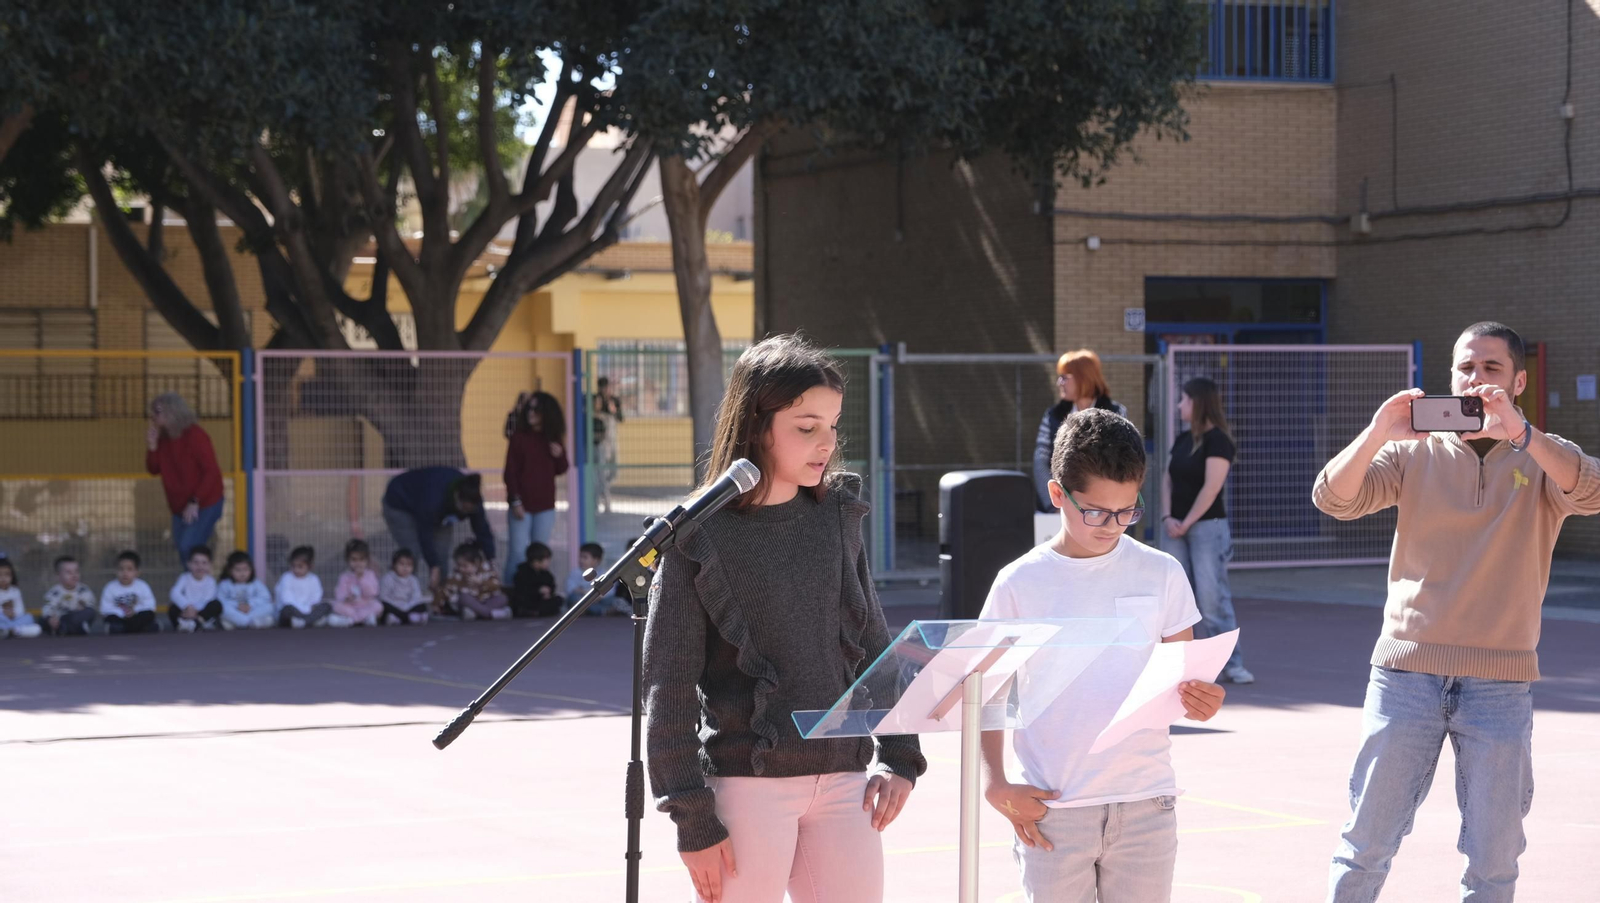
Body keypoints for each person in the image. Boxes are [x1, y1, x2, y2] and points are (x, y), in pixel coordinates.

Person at [1313, 322, 1600, 902]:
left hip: (1500, 682)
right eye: (1465, 368)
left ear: (1519, 381)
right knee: (1366, 844)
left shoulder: (1544, 457)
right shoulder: (1411, 451)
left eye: (1492, 370)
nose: (1476, 380)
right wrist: (1377, 432)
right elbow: (1334, 498)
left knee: (1494, 862)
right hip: (1405, 677)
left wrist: (1525, 436)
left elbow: (1592, 491)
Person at [644, 335, 925, 903]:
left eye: (833, 426)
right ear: (756, 424)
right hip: (746, 786)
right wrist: (692, 818)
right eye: (806, 426)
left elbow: (872, 639)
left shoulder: (838, 516)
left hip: (845, 780)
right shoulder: (697, 535)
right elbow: (666, 686)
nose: (826, 443)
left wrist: (902, 756)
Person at [982, 409, 1226, 902]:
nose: (1112, 526)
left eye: (1127, 511)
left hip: (1146, 803)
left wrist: (1203, 699)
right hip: (1053, 806)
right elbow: (986, 692)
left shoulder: (1161, 573)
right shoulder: (1018, 583)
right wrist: (996, 783)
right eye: (1095, 511)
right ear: (1057, 495)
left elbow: (1181, 681)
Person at [1164, 377, 1252, 685]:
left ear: (1198, 403)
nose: (1179, 406)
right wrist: (1167, 517)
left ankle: (1232, 664)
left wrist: (1186, 522)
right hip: (1174, 528)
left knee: (1212, 598)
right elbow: (1167, 479)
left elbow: (1211, 488)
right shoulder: (1183, 439)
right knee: (1173, 597)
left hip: (1206, 529)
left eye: (1184, 400)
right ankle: (1178, 666)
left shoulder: (1219, 442)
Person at [1033, 350, 1130, 511]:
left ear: (1083, 378)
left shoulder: (1116, 413)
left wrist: (1106, 505)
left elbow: (1122, 461)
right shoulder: (1053, 415)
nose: (1059, 383)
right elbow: (1040, 459)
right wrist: (1054, 503)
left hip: (1105, 509)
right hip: (1059, 508)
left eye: (1065, 377)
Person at [381, 467, 495, 596]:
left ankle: (441, 597)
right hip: (400, 503)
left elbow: (482, 529)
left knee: (442, 554)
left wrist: (491, 558)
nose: (464, 514)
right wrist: (433, 566)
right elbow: (425, 535)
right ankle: (403, 597)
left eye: (469, 511)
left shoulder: (474, 502)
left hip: (438, 511)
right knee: (411, 551)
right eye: (463, 509)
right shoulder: (434, 499)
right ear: (457, 497)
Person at [146, 392, 226, 565]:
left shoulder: (195, 435)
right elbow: (153, 469)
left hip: (205, 502)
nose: (153, 416)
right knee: (185, 552)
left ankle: (201, 587)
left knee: (188, 547)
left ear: (172, 411)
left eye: (157, 411)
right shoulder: (164, 438)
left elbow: (211, 471)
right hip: (179, 506)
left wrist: (195, 500)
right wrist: (152, 447)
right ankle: (195, 587)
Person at [503, 391, 569, 586]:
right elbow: (510, 473)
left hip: (545, 506)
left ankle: (538, 592)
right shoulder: (519, 438)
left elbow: (561, 469)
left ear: (547, 413)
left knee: (539, 551)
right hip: (521, 505)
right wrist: (515, 501)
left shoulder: (553, 438)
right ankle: (511, 592)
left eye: (536, 409)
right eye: (529, 408)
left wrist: (559, 455)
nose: (531, 413)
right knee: (517, 551)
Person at [275, 546, 349, 629]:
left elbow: (316, 598)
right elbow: (287, 599)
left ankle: (303, 622)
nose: (296, 570)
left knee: (326, 606)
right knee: (286, 610)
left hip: (309, 610)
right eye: (293, 566)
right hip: (293, 610)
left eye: (300, 566)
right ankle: (312, 621)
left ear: (310, 566)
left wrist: (309, 608)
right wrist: (304, 609)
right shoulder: (286, 577)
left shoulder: (314, 579)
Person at [439, 540, 509, 621]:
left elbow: (496, 585)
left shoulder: (487, 570)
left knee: (502, 598)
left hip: (487, 600)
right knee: (463, 598)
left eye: (465, 566)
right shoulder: (457, 575)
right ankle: (492, 614)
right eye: (459, 565)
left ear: (476, 562)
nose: (461, 569)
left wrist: (481, 583)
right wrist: (437, 603)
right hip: (471, 603)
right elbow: (445, 590)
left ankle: (478, 613)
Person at [100, 551, 159, 634]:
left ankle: (129, 628)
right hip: (119, 618)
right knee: (112, 619)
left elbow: (150, 606)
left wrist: (134, 611)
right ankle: (134, 628)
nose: (125, 573)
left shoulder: (143, 586)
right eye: (121, 569)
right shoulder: (110, 587)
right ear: (116, 571)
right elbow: (105, 609)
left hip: (137, 617)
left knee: (148, 615)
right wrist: (123, 613)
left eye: (129, 569)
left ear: (137, 572)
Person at [168, 545, 223, 633]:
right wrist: (187, 606)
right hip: (187, 610)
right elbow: (174, 593)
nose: (200, 566)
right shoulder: (184, 577)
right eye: (196, 563)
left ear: (210, 565)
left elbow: (208, 599)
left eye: (204, 563)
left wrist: (195, 612)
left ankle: (196, 622)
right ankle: (189, 624)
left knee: (216, 605)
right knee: (173, 608)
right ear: (188, 564)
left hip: (201, 612)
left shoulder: (210, 581)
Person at [216, 550, 276, 630]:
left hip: (251, 611)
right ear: (230, 571)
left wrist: (250, 605)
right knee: (221, 608)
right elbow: (220, 601)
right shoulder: (225, 584)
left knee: (270, 607)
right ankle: (250, 623)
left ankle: (239, 623)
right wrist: (237, 606)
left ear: (251, 570)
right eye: (238, 570)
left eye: (245, 569)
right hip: (235, 611)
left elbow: (265, 597)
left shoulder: (256, 583)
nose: (242, 573)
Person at [41, 555, 99, 637]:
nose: (74, 575)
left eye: (76, 571)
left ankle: (67, 629)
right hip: (60, 619)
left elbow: (91, 605)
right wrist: (50, 619)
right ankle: (68, 629)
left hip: (76, 618)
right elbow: (47, 607)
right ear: (58, 576)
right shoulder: (54, 592)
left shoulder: (84, 590)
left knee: (90, 612)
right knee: (43, 620)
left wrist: (83, 608)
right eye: (69, 572)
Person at [332, 539, 383, 627]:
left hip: (365, 605)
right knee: (335, 605)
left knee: (378, 606)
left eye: (361, 560)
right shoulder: (345, 576)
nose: (358, 563)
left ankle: (352, 620)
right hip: (350, 607)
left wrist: (361, 579)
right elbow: (340, 594)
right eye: (354, 560)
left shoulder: (370, 574)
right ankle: (364, 619)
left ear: (367, 560)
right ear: (348, 560)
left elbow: (373, 593)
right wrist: (346, 598)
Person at [594, 375, 624, 514]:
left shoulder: (614, 400)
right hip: (602, 441)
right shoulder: (596, 400)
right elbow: (594, 416)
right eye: (603, 387)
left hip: (613, 439)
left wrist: (614, 410)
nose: (606, 390)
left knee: (613, 471)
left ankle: (601, 489)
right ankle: (605, 500)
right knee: (602, 471)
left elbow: (621, 418)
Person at [379, 549, 430, 625]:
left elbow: (416, 596)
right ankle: (408, 618)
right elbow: (383, 597)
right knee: (382, 606)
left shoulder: (413, 579)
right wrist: (398, 606)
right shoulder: (388, 578)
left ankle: (404, 617)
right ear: (394, 564)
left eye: (409, 565)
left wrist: (407, 606)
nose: (405, 568)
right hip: (393, 605)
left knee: (423, 606)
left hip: (408, 605)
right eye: (402, 564)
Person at [510, 541, 559, 618]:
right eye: (546, 560)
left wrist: (548, 592)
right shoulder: (522, 573)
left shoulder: (546, 574)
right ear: (536, 562)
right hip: (528, 600)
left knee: (558, 600)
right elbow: (521, 590)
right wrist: (538, 590)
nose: (548, 563)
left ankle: (538, 612)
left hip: (541, 600)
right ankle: (530, 612)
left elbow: (552, 585)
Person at [0, 558, 42, 639]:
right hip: (2, 619)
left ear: (12, 575)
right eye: (0, 575)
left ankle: (12, 631)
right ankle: (9, 630)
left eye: (7, 574)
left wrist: (13, 614)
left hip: (15, 620)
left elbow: (21, 609)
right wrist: (4, 612)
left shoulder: (15, 591)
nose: (3, 578)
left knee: (30, 619)